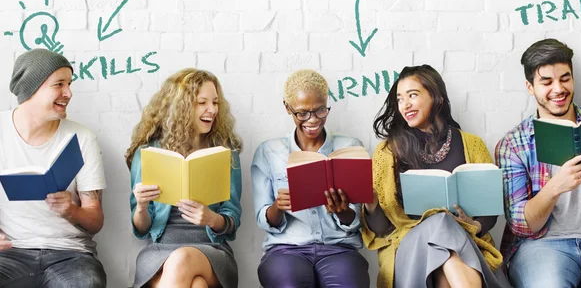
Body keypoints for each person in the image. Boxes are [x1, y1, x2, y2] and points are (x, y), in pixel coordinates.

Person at [362, 64, 509, 288]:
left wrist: (475, 226)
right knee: (440, 220)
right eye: (400, 99)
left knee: (445, 259)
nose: (405, 104)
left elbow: (489, 209)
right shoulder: (387, 152)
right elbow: (383, 230)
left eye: (413, 95)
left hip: (463, 245)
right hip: (410, 250)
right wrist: (371, 204)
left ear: (437, 97)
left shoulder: (472, 144)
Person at [251, 69, 370, 288]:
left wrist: (342, 211)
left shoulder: (350, 147)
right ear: (288, 108)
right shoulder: (269, 152)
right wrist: (279, 207)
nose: (313, 120)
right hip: (286, 250)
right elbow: (263, 219)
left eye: (320, 110)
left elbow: (356, 218)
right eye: (303, 113)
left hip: (339, 249)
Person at [495, 38, 581, 287]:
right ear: (530, 87)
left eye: (565, 79)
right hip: (541, 247)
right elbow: (521, 225)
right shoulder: (513, 144)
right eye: (547, 82)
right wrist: (555, 187)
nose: (558, 89)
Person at [126, 68, 243, 288]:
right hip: (159, 251)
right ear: (182, 107)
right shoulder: (149, 153)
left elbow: (232, 220)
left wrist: (211, 219)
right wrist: (141, 206)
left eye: (215, 102)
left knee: (182, 260)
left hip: (212, 250)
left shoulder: (225, 153)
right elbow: (142, 230)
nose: (212, 110)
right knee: (197, 285)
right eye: (202, 103)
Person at [0, 48, 107, 288]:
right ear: (32, 89)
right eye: (59, 84)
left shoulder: (81, 139)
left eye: (69, 83)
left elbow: (96, 221)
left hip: (70, 255)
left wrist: (71, 210)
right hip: (10, 254)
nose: (68, 93)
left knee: (87, 284)